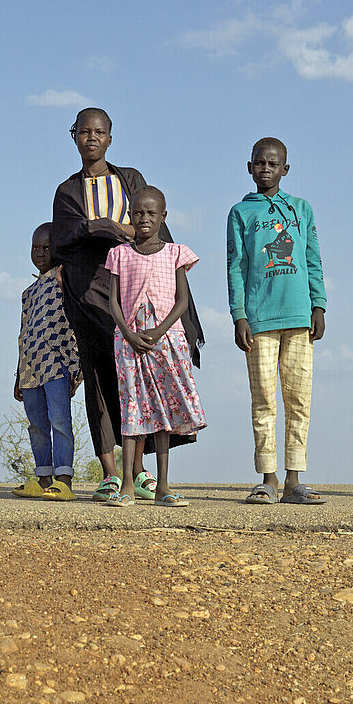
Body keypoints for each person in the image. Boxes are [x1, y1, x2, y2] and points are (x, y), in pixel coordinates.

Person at [51, 107, 204, 502]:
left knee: (140, 380)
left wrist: (188, 317)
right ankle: (110, 473)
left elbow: (160, 240)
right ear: (74, 137)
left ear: (110, 138)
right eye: (83, 132)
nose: (91, 139)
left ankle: (139, 471)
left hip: (134, 296)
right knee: (100, 378)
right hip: (87, 296)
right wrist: (106, 227)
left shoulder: (130, 179)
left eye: (99, 132)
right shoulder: (67, 191)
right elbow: (64, 239)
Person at [227, 137, 327, 505]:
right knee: (264, 399)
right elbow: (235, 268)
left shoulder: (301, 210)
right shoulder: (241, 213)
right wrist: (239, 315)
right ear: (250, 167)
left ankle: (294, 480)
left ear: (285, 169)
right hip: (259, 320)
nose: (265, 169)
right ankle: (267, 478)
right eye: (259, 163)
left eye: (273, 164)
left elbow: (313, 259)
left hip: (300, 316)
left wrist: (320, 305)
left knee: (298, 399)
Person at [105, 187, 206, 507]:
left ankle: (163, 486)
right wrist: (130, 335)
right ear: (130, 217)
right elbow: (113, 302)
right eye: (137, 213)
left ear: (164, 216)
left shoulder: (176, 252)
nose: (144, 219)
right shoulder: (119, 254)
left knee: (162, 413)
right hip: (130, 343)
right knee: (132, 412)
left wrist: (160, 331)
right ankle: (127, 489)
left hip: (167, 341)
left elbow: (182, 301)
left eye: (151, 213)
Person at [12, 223, 81, 501]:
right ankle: (43, 478)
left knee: (60, 421)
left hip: (57, 363)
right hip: (30, 367)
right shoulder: (28, 293)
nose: (40, 253)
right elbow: (23, 332)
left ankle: (64, 480)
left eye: (46, 248)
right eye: (35, 248)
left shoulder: (67, 280)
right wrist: (17, 374)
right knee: (36, 424)